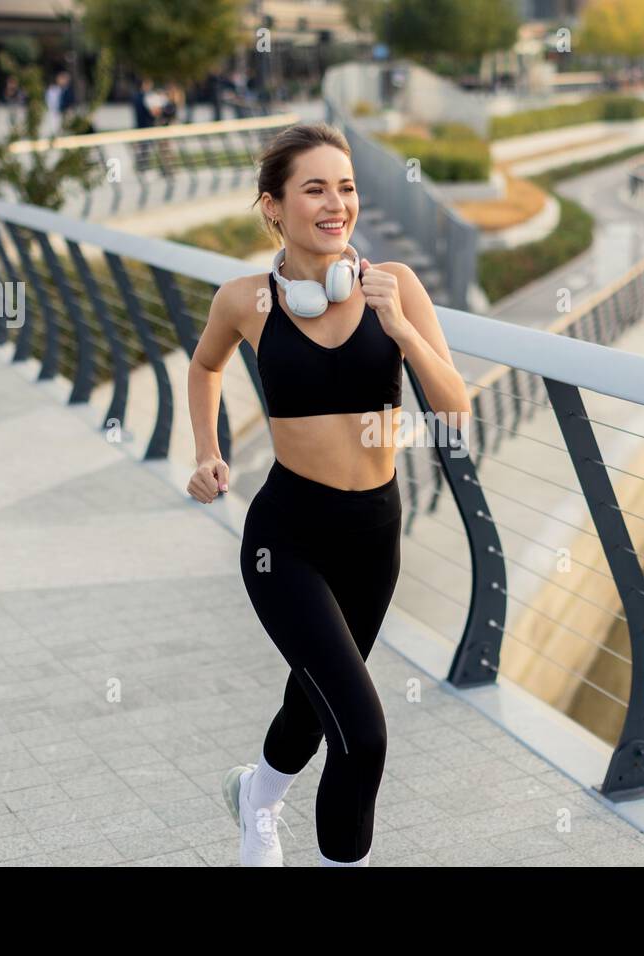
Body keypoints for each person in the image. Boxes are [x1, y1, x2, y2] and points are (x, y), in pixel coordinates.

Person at [186, 123, 471, 867]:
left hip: (374, 536)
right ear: (274, 207)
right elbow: (204, 367)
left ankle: (254, 796)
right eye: (314, 188)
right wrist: (208, 453)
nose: (335, 203)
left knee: (313, 703)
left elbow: (455, 409)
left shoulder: (396, 285)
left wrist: (401, 328)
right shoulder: (246, 300)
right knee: (364, 731)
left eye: (345, 187)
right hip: (287, 538)